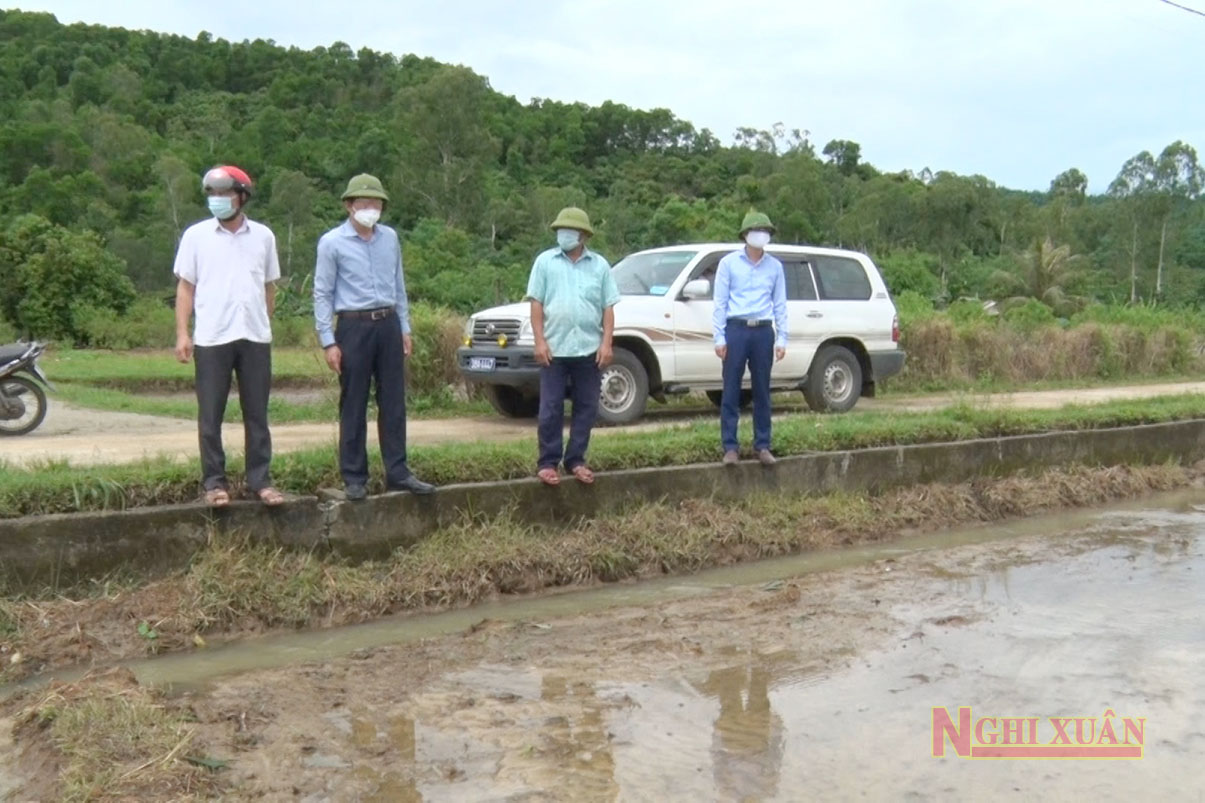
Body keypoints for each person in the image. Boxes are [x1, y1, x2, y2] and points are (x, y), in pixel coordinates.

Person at [313, 173, 434, 500]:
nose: (371, 209)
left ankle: (398, 471)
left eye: (376, 203)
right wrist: (328, 340)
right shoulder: (332, 243)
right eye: (364, 203)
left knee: (393, 401)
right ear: (350, 206)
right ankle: (354, 476)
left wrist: (404, 326)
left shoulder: (389, 238)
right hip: (353, 325)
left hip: (388, 322)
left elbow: (399, 284)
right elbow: (322, 293)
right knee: (353, 401)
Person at [173, 165, 285, 507]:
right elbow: (185, 288)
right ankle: (214, 483)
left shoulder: (263, 236)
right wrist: (182, 333)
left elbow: (269, 287)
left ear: (242, 196)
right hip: (211, 337)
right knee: (210, 415)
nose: (218, 201)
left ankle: (260, 481)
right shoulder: (196, 236)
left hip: (254, 337)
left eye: (225, 194)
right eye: (213, 195)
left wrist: (263, 321)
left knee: (257, 414)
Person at [526, 207, 620, 486]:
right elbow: (536, 303)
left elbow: (608, 307)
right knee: (551, 407)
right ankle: (548, 462)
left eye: (569, 230)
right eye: (560, 230)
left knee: (587, 407)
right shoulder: (545, 262)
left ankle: (576, 459)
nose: (563, 235)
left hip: (589, 349)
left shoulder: (600, 266)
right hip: (554, 349)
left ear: (583, 235)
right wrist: (539, 340)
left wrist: (607, 343)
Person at [712, 210, 788, 466]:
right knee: (731, 389)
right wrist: (719, 337)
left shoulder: (775, 267)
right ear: (745, 235)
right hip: (736, 329)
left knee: (762, 390)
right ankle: (730, 446)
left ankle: (762, 444)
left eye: (765, 231)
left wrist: (782, 339)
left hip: (763, 330)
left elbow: (780, 304)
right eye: (757, 230)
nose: (761, 235)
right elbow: (720, 303)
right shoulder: (729, 264)